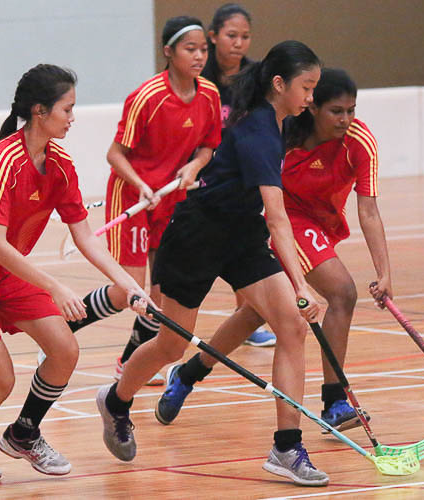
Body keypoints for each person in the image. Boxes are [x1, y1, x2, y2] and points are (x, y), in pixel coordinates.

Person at [96, 40, 330, 487]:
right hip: (196, 236)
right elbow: (277, 217)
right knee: (170, 346)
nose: (311, 98)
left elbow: (265, 217)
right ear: (279, 85)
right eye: (306, 87)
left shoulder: (277, 122)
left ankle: (285, 446)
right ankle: (116, 400)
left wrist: (293, 292)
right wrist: (302, 285)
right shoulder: (260, 131)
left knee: (291, 326)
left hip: (240, 234)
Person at [0, 64, 151, 481]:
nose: (73, 118)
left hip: (8, 272)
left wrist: (130, 285)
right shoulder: (3, 160)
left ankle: (24, 434)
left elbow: (85, 237)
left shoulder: (61, 165)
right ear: (40, 111)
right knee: (0, 380)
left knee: (65, 349)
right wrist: (55, 285)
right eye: (67, 109)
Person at [157, 68, 392, 433]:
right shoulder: (284, 134)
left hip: (322, 226)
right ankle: (334, 400)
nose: (346, 119)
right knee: (342, 292)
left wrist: (384, 272)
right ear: (313, 107)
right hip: (281, 220)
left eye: (351, 110)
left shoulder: (360, 140)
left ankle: (188, 373)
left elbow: (369, 209)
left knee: (256, 314)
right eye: (336, 111)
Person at [42, 16, 222, 385]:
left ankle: (128, 360)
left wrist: (194, 167)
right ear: (168, 52)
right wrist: (141, 184)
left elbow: (208, 145)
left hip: (173, 201)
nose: (199, 56)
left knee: (159, 294)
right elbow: (115, 154)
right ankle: (62, 329)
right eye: (190, 49)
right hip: (135, 196)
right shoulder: (147, 98)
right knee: (129, 291)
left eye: (204, 49)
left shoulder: (210, 95)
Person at [201, 3, 276, 347]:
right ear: (213, 36)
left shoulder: (256, 78)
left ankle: (246, 318)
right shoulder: (200, 77)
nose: (239, 43)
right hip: (200, 172)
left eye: (245, 37)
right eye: (231, 35)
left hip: (240, 172)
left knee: (245, 241)